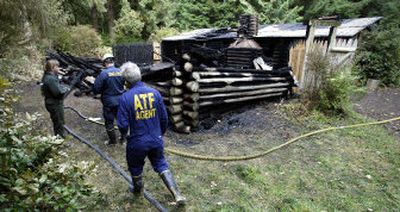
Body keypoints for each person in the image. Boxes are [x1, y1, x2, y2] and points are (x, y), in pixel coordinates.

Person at [117, 62, 186, 205]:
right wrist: (159, 134)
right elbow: (164, 118)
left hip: (137, 142)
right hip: (156, 138)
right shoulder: (155, 93)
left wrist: (125, 136)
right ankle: (177, 194)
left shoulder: (125, 97)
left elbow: (122, 125)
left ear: (126, 81)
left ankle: (137, 189)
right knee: (161, 163)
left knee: (135, 165)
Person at [93, 53, 126, 145]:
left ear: (104, 63)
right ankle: (123, 139)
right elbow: (125, 84)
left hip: (109, 102)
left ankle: (112, 141)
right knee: (121, 120)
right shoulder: (121, 71)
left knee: (109, 121)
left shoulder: (103, 73)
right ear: (113, 61)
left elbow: (96, 89)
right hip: (121, 100)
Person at [42, 59, 69, 138]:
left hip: (52, 102)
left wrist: (58, 73)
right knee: (59, 123)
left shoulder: (49, 75)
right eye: (57, 66)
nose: (59, 68)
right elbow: (58, 93)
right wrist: (65, 89)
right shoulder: (50, 79)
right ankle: (59, 140)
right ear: (53, 67)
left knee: (58, 122)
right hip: (54, 104)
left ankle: (59, 138)